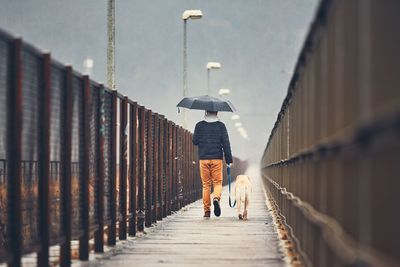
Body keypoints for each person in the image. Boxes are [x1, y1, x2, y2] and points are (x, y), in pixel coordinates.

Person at [192, 110, 233, 218]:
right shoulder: (221, 126)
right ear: (217, 112)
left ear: (206, 112)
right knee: (217, 183)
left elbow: (195, 141)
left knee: (206, 184)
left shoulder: (199, 125)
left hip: (204, 159)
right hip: (217, 159)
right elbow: (226, 143)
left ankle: (206, 211)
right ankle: (216, 198)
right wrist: (229, 160)